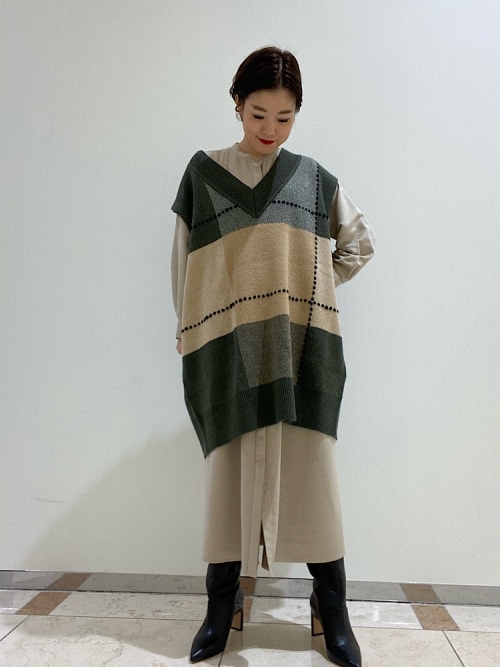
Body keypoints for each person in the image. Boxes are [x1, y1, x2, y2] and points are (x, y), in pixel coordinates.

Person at [171, 46, 375, 667]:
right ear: (237, 104)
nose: (270, 130)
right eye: (258, 114)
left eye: (284, 118)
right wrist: (188, 325)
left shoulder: (311, 179)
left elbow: (357, 244)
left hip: (299, 350)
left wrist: (314, 288)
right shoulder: (204, 175)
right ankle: (221, 603)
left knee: (313, 479)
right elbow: (185, 262)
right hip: (228, 349)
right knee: (228, 480)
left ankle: (330, 606)